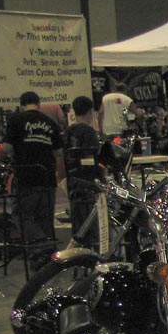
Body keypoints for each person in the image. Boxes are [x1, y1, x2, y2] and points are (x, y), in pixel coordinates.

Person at [3, 90, 64, 265]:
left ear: (22, 105)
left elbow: (7, 148)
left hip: (26, 176)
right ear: (38, 104)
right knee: (45, 218)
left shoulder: (16, 120)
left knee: (22, 214)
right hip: (47, 176)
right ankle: (48, 257)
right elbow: (58, 152)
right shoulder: (50, 122)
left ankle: (41, 246)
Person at [63, 95, 101, 248]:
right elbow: (92, 157)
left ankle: (79, 246)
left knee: (77, 219)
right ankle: (93, 246)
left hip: (73, 180)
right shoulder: (89, 132)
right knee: (91, 219)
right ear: (91, 112)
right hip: (88, 182)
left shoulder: (69, 131)